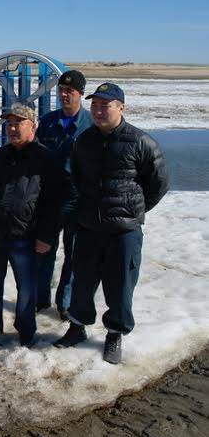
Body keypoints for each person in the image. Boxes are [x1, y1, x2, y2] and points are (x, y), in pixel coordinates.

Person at [53, 83, 169, 364]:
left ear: (121, 108)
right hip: (90, 227)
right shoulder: (84, 141)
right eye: (95, 105)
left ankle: (115, 333)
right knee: (82, 282)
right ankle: (77, 326)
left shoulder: (141, 142)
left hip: (123, 232)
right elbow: (78, 177)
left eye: (105, 105)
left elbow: (158, 184)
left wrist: (132, 210)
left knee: (119, 286)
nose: (98, 110)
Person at [0, 102, 65, 346]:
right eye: (9, 123)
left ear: (32, 127)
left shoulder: (45, 159)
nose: (12, 128)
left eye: (18, 123)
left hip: (26, 235)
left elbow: (55, 202)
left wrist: (47, 236)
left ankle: (25, 330)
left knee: (26, 287)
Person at [35, 70, 93, 318]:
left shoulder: (91, 125)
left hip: (78, 200)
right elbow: (36, 156)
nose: (64, 95)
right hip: (49, 198)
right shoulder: (48, 122)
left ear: (80, 93)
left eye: (69, 91)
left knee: (73, 254)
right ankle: (40, 299)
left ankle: (65, 302)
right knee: (43, 249)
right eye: (60, 90)